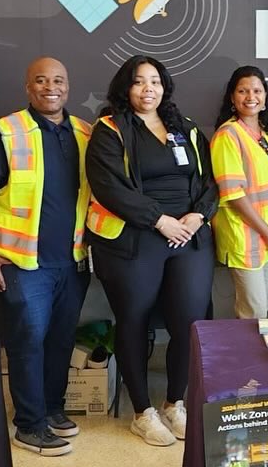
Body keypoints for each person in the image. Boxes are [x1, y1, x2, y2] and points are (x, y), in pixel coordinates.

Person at [85, 55, 218, 446]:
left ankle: (175, 402)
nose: (148, 89)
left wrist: (198, 216)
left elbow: (211, 181)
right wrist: (160, 220)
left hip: (189, 238)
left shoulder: (186, 129)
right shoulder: (110, 129)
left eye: (155, 82)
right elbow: (108, 186)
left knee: (189, 322)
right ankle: (142, 411)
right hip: (136, 238)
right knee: (134, 320)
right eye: (140, 82)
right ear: (126, 88)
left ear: (165, 87)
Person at [0, 57, 92, 457]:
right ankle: (29, 424)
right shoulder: (4, 133)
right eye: (41, 80)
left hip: (72, 261)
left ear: (68, 87)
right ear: (27, 87)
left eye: (58, 80)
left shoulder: (85, 133)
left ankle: (52, 410)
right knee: (28, 342)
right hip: (21, 263)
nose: (50, 87)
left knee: (60, 341)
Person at [210, 67, 268, 318]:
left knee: (262, 308)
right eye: (243, 91)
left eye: (257, 90)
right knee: (253, 312)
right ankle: (245, 358)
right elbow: (233, 195)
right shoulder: (228, 135)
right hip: (245, 237)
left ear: (265, 95)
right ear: (232, 98)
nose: (251, 96)